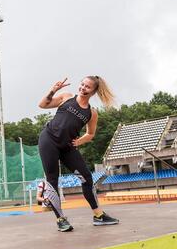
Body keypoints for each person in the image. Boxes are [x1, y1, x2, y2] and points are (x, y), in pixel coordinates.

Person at [38, 75, 119, 231]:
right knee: (52, 179)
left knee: (86, 177)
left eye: (87, 87)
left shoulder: (92, 113)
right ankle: (60, 219)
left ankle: (98, 215)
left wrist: (79, 142)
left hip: (68, 147)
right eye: (82, 84)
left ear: (94, 91)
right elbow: (42, 105)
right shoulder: (66, 97)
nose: (83, 88)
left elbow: (90, 134)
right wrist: (52, 91)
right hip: (49, 140)